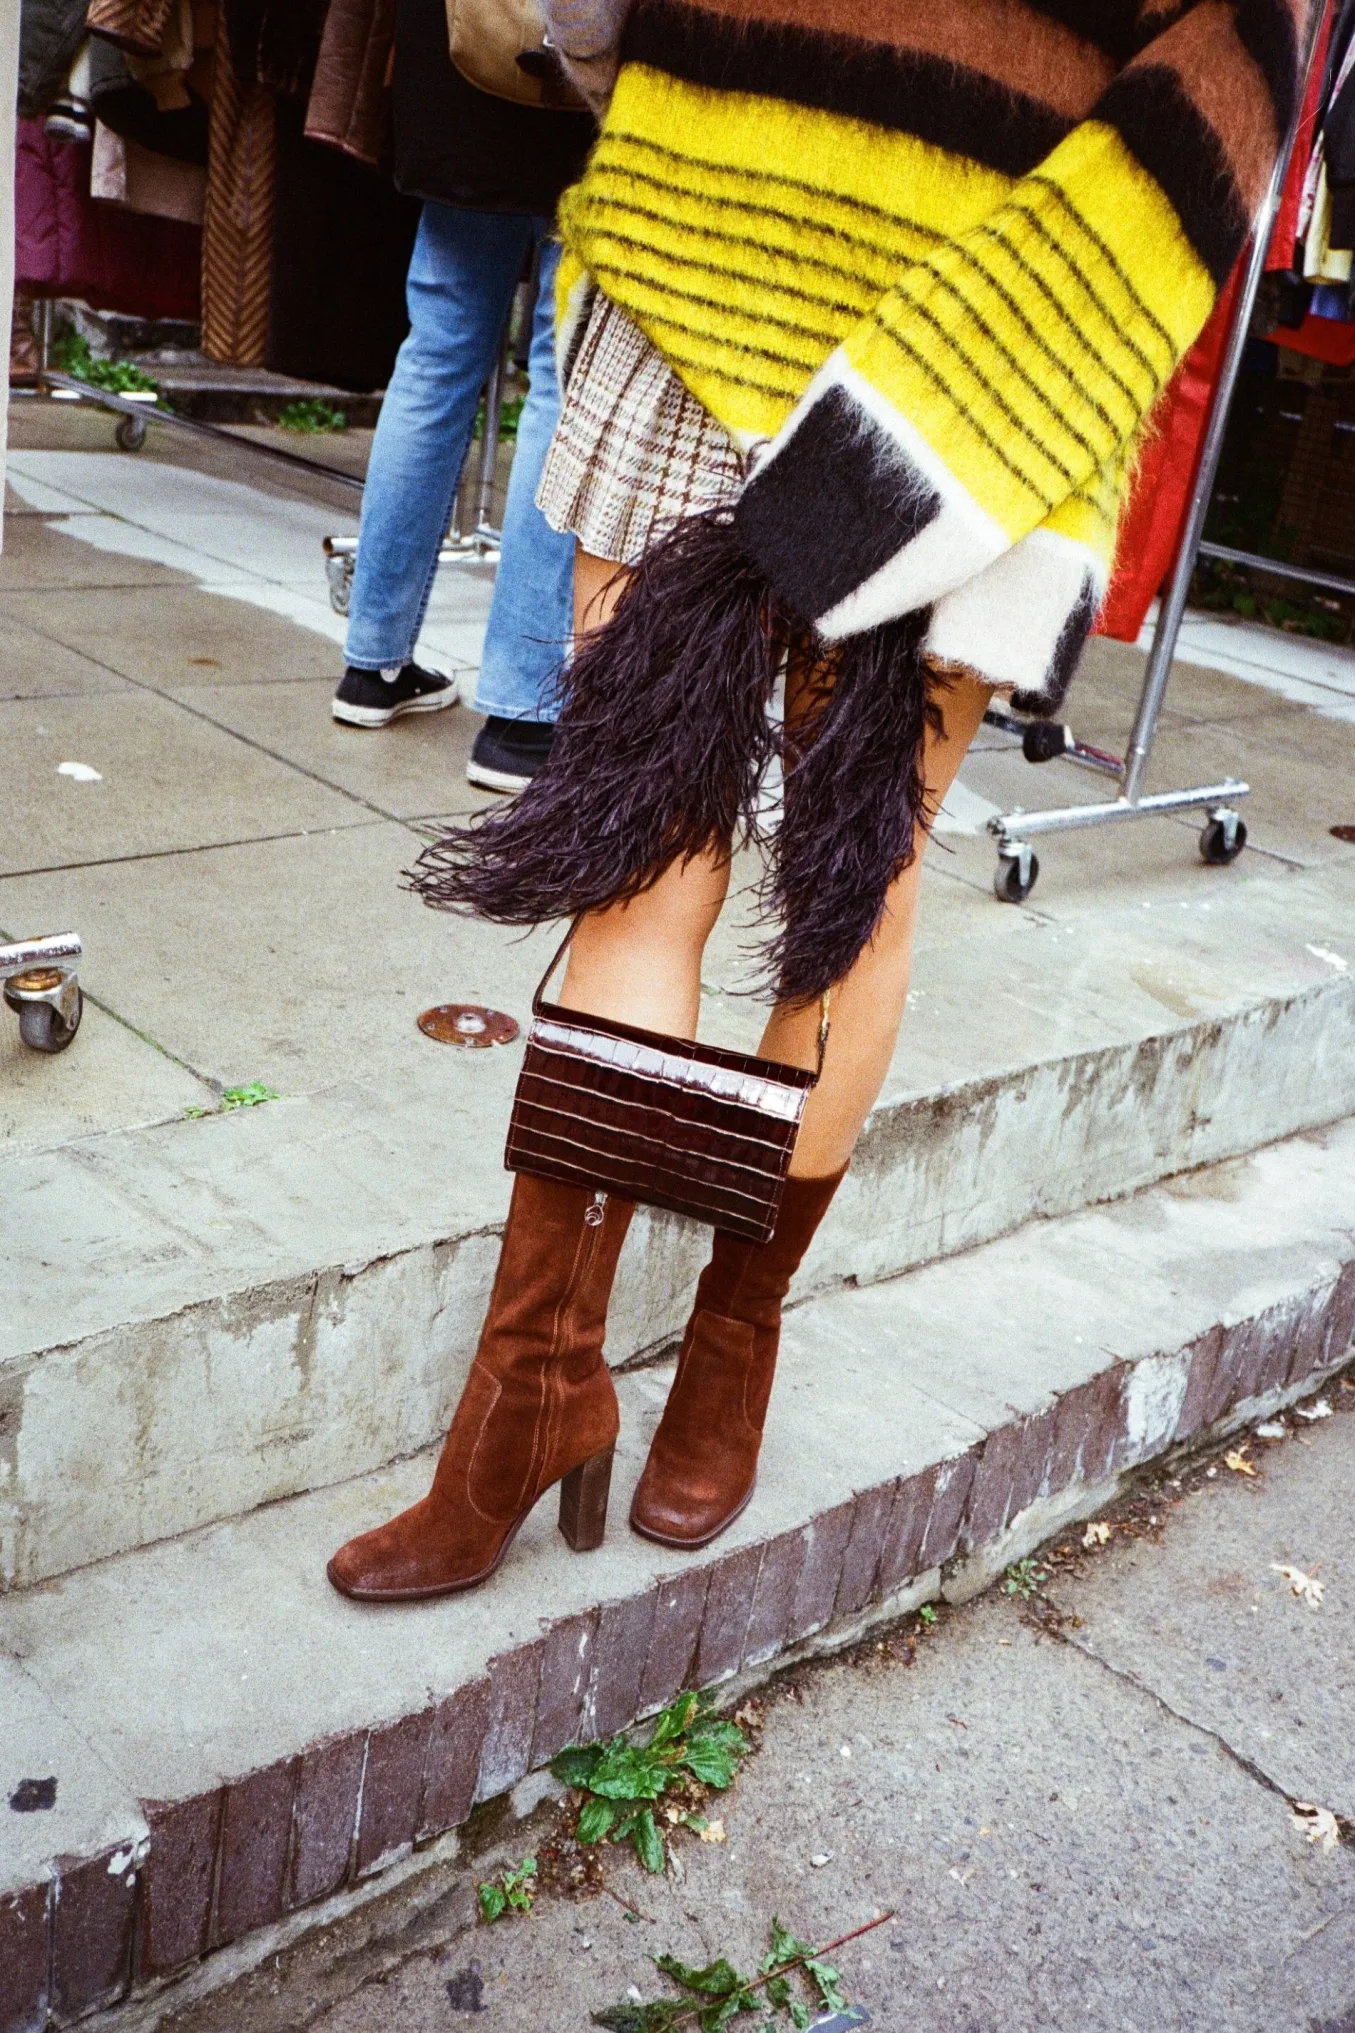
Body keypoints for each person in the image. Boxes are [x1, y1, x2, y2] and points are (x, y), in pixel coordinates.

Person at [327, 0, 1306, 1598]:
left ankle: (732, 1331)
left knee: (854, 889)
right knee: (635, 870)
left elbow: (1230, 71)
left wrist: (1012, 354)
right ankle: (533, 1389)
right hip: (700, 246)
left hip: (982, 350)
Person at [330, 0, 594, 796]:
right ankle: (519, 717)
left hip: (456, 64)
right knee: (558, 373)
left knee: (436, 350)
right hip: (579, 84)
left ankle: (371, 666)